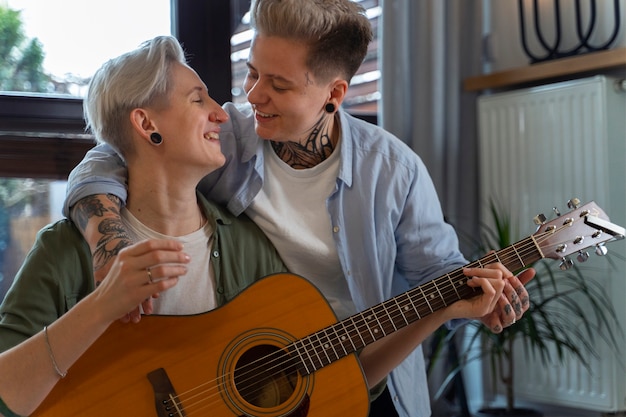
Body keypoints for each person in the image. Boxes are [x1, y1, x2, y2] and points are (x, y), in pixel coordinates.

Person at [63, 2, 534, 417]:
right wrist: (109, 242)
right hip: (251, 378)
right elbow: (110, 156)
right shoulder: (229, 139)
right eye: (252, 73)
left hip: (371, 379)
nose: (251, 96)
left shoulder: (396, 171)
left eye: (279, 86)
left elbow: (440, 277)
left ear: (333, 94)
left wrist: (485, 302)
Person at [0, 36, 288, 417]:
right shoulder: (62, 250)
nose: (221, 114)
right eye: (198, 99)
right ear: (146, 122)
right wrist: (103, 306)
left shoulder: (249, 246)